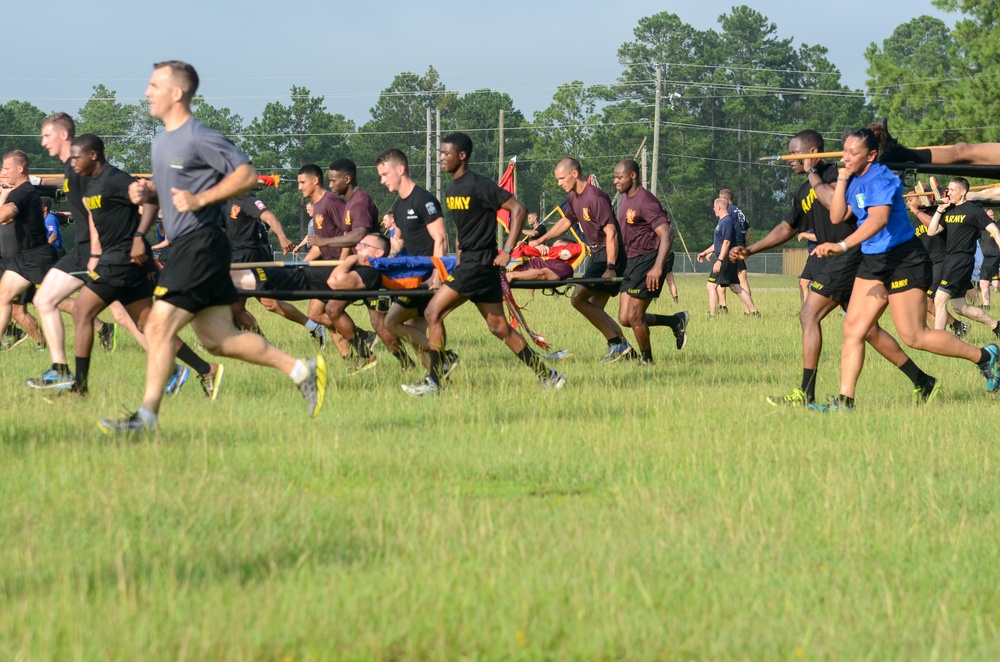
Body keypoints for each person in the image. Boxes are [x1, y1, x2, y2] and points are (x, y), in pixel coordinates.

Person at [98, 60, 325, 434]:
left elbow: (247, 175)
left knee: (157, 326)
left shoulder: (199, 136)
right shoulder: (160, 142)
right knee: (218, 340)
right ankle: (302, 370)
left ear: (177, 93)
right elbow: (164, 193)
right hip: (197, 246)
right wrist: (146, 199)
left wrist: (201, 200)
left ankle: (146, 419)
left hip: (201, 245)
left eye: (154, 85)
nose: (146, 92)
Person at [731, 129, 939, 407]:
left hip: (849, 257)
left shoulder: (837, 174)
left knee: (809, 314)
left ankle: (807, 394)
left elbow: (835, 206)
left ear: (812, 153)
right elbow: (786, 228)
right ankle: (921, 379)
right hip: (832, 259)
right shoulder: (804, 189)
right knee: (867, 330)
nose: (790, 160)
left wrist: (815, 174)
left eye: (795, 154)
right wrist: (752, 249)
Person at [811, 127, 999, 410]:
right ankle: (844, 402)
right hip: (874, 262)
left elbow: (878, 221)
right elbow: (838, 215)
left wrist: (842, 246)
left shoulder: (882, 179)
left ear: (872, 155)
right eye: (845, 150)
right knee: (853, 329)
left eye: (853, 152)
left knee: (914, 336)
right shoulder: (853, 179)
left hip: (904, 261)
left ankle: (985, 356)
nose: (846, 156)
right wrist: (841, 178)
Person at [43, 133, 219, 396]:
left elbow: (151, 200)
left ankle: (79, 387)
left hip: (123, 259)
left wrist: (139, 237)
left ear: (93, 155)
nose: (73, 162)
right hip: (120, 260)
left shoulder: (116, 179)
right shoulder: (91, 185)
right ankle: (206, 369)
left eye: (77, 157)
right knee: (148, 325)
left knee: (81, 311)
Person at [402, 132, 566, 396]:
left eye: (446, 153)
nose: (441, 158)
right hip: (470, 262)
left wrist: (508, 251)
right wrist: (457, 258)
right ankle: (549, 376)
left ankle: (435, 380)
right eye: (440, 153)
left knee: (433, 312)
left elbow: (519, 210)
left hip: (479, 263)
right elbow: (464, 230)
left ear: (462, 156)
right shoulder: (451, 188)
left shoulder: (480, 184)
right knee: (498, 327)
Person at [30, 113, 131, 367]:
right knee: (44, 299)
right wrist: (38, 182)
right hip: (85, 249)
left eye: (46, 136)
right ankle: (60, 369)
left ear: (64, 135)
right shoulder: (70, 169)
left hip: (95, 251)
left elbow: (93, 210)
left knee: (124, 314)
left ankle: (176, 367)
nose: (43, 143)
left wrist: (97, 252)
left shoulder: (81, 169)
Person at [530, 158, 631, 362]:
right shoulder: (574, 197)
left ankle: (616, 344)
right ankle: (625, 349)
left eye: (561, 178)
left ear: (574, 174)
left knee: (578, 299)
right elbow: (567, 221)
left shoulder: (595, 197)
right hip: (598, 255)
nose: (559, 183)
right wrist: (541, 238)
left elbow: (611, 233)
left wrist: (610, 267)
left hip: (609, 255)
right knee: (595, 307)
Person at [375, 148, 453, 372]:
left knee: (392, 322)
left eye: (385, 174)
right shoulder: (398, 206)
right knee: (413, 330)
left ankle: (444, 359)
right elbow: (398, 241)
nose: (382, 181)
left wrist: (437, 274)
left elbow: (441, 238)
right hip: (415, 277)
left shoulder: (424, 200)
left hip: (430, 276)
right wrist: (381, 261)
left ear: (400, 170)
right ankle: (438, 379)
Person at [225, 192, 326, 348]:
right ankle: (262, 346)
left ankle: (314, 326)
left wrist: (282, 237)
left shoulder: (247, 200)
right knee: (236, 307)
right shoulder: (225, 201)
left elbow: (270, 218)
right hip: (235, 258)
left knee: (269, 303)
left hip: (251, 258)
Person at [611, 159, 689, 364]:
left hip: (649, 260)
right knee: (624, 318)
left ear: (633, 176)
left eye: (619, 177)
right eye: (614, 177)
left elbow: (667, 234)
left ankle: (647, 361)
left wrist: (657, 267)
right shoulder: (625, 198)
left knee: (635, 316)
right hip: (633, 261)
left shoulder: (646, 201)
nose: (615, 182)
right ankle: (675, 320)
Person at [922, 177, 1000, 336]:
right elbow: (931, 231)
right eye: (948, 189)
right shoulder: (948, 210)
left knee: (939, 298)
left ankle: (939, 340)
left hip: (962, 260)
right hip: (950, 260)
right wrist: (940, 210)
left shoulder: (973, 210)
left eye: (952, 190)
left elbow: (994, 230)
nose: (948, 192)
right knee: (960, 307)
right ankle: (996, 326)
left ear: (963, 192)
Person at [0, 151, 60, 347]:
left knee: (60, 302)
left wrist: (4, 195)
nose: (3, 172)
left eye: (7, 168)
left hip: (39, 256)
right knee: (3, 297)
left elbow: (2, 216)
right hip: (23, 257)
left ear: (20, 168)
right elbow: (6, 220)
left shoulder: (23, 192)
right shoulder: (19, 192)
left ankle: (102, 326)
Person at [699, 199, 758, 317]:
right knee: (735, 287)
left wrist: (719, 261)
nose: (713, 209)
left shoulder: (726, 222)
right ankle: (754, 312)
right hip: (726, 258)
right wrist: (705, 252)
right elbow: (719, 243)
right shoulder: (723, 221)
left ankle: (712, 315)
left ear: (719, 207)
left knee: (711, 285)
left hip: (725, 258)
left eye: (714, 207)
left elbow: (726, 242)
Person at [718, 188, 753, 313]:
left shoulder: (728, 211)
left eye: (720, 199)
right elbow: (748, 231)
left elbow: (725, 233)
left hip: (731, 248)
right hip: (740, 247)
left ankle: (723, 307)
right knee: (742, 279)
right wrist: (743, 244)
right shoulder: (740, 212)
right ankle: (748, 310)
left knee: (720, 277)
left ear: (725, 199)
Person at [979, 208, 1000, 307]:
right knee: (983, 283)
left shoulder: (998, 226)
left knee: (996, 284)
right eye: (989, 216)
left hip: (997, 258)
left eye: (992, 216)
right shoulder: (982, 228)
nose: (991, 217)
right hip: (987, 259)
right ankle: (986, 306)